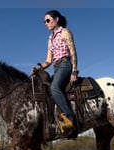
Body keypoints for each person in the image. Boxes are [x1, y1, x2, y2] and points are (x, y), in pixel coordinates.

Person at [32, 10, 79, 138]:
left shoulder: (65, 32)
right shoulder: (50, 38)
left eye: (48, 20)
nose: (45, 23)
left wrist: (74, 71)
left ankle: (71, 121)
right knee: (47, 90)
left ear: (56, 19)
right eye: (44, 21)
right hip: (56, 67)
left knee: (54, 87)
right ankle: (55, 123)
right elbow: (48, 61)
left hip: (65, 64)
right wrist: (38, 67)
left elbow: (73, 52)